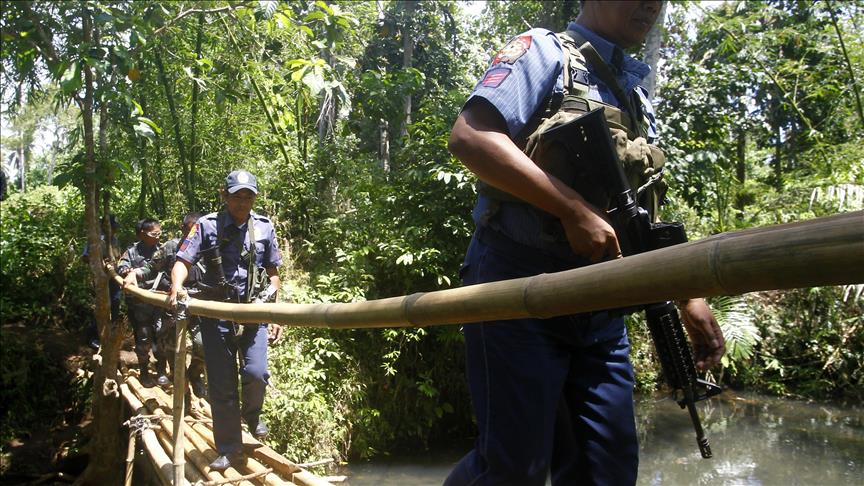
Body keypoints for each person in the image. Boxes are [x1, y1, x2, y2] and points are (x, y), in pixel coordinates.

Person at [444, 2, 726, 485]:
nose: (651, 5)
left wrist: (688, 295)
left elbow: (639, 210)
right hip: (516, 287)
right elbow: (472, 138)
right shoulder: (544, 52)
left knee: (607, 470)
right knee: (513, 468)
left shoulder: (635, 93)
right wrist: (571, 209)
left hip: (601, 306)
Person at [168, 170, 283, 471]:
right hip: (216, 313)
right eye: (236, 196)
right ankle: (230, 448)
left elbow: (273, 274)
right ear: (224, 196)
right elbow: (183, 261)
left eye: (248, 196)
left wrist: (276, 313)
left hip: (255, 312)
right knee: (222, 384)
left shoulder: (264, 226)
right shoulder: (207, 225)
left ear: (254, 198)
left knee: (257, 372)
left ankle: (252, 415)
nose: (242, 202)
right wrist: (177, 285)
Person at [124, 212, 208, 396]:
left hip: (199, 304)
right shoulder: (170, 247)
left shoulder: (208, 248)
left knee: (202, 343)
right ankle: (181, 385)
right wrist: (135, 273)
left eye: (198, 231)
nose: (194, 235)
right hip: (173, 305)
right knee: (171, 348)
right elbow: (151, 267)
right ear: (183, 229)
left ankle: (195, 374)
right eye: (190, 230)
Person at [117, 218, 169, 388]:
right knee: (144, 336)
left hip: (159, 301)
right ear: (142, 234)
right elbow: (122, 266)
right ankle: (144, 371)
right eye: (154, 234)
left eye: (159, 233)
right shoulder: (132, 252)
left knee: (160, 334)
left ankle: (161, 371)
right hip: (139, 304)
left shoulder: (162, 250)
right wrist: (126, 271)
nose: (157, 237)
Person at [81, 214, 122, 350]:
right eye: (112, 227)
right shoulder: (96, 240)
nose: (114, 230)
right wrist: (100, 260)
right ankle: (93, 338)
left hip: (114, 278)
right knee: (101, 307)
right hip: (101, 279)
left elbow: (117, 256)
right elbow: (85, 257)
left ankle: (110, 337)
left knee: (115, 304)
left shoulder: (114, 240)